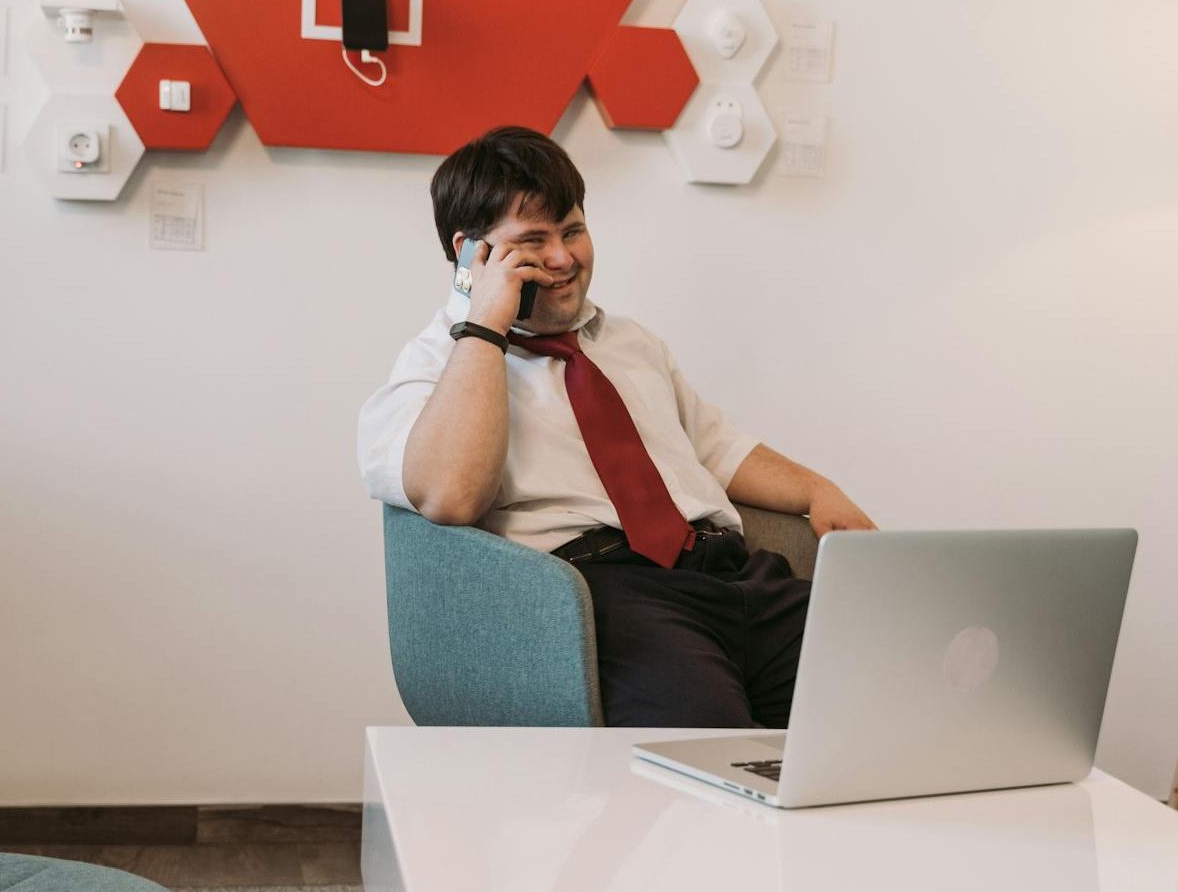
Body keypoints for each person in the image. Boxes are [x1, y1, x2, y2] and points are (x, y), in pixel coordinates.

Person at [358, 125, 875, 728]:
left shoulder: (629, 344)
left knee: (897, 673)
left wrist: (817, 490)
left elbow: (716, 449)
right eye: (533, 242)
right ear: (473, 253)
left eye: (573, 230)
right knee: (707, 752)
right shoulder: (431, 368)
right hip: (611, 600)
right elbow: (450, 496)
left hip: (736, 578)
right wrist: (485, 327)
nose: (563, 258)